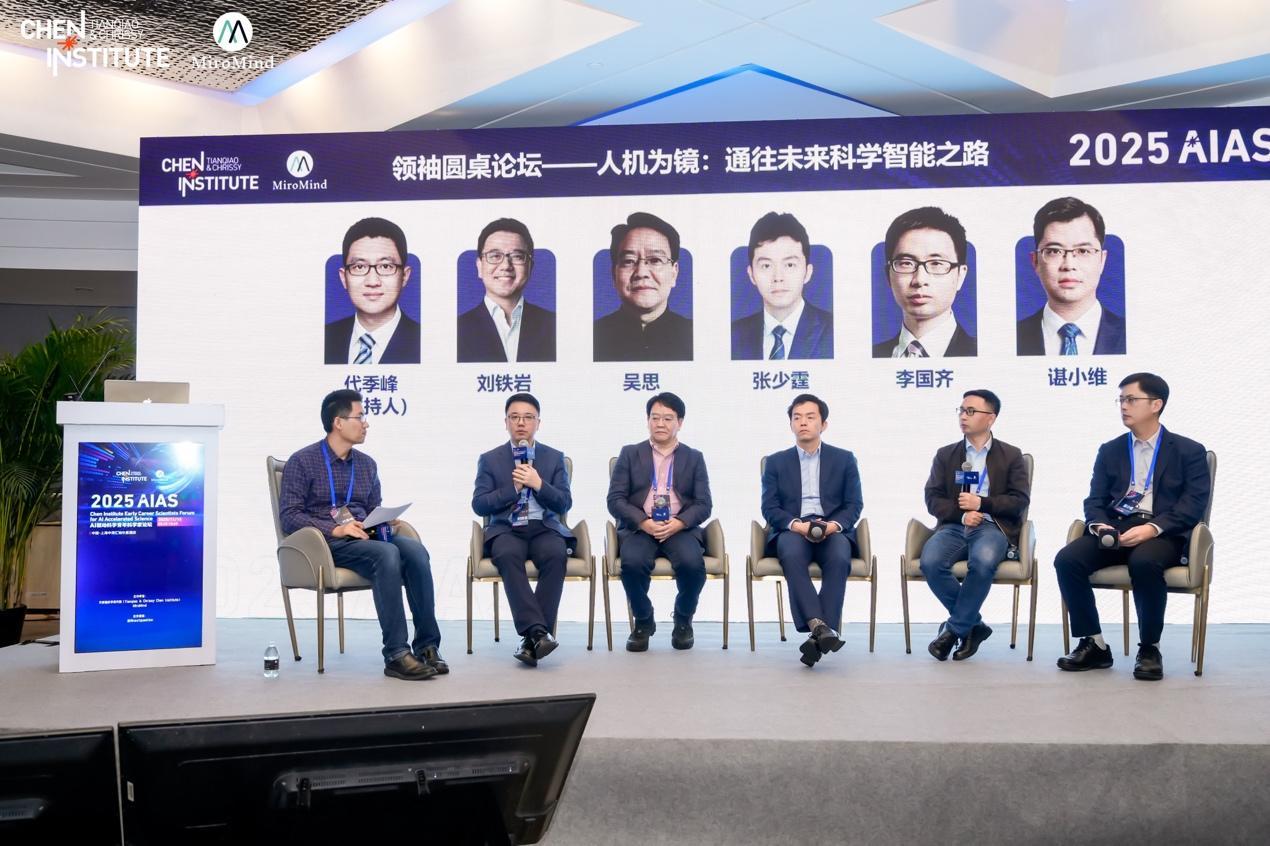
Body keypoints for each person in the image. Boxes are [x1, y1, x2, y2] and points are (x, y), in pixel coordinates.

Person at [278, 389, 444, 680]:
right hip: (326, 544)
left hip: (365, 538)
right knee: (387, 553)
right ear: (338, 422)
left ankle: (427, 646)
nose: (366, 423)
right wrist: (336, 528)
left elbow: (371, 509)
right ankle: (396, 654)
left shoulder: (367, 465)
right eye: (360, 416)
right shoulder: (302, 461)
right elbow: (289, 516)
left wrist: (383, 521)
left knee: (416, 552)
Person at [1055, 373, 1210, 681]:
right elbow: (1095, 500)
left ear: (1156, 404)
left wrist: (1154, 528)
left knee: (1144, 562)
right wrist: (1099, 526)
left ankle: (1149, 648)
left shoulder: (1189, 451)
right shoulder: (1110, 449)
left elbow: (1193, 505)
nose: (1123, 406)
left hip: (1163, 533)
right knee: (1067, 560)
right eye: (1121, 400)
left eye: (1131, 399)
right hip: (1116, 528)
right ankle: (1094, 643)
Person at [920, 390, 1031, 661]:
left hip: (993, 527)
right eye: (961, 410)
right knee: (931, 562)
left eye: (971, 411)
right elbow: (933, 498)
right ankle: (973, 626)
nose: (963, 416)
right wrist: (961, 515)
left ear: (990, 418)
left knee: (982, 562)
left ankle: (953, 631)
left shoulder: (1011, 455)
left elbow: (1019, 501)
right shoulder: (946, 455)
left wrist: (983, 504)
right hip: (955, 526)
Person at [471, 393, 573, 666]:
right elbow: (479, 505)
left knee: (556, 554)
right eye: (514, 417)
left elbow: (564, 503)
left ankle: (531, 638)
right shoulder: (490, 459)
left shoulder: (554, 458)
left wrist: (538, 484)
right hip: (507, 528)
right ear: (505, 422)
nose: (521, 423)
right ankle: (538, 633)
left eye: (528, 417)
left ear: (538, 423)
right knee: (506, 555)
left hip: (543, 527)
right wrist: (513, 488)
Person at [760, 394, 862, 667]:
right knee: (791, 555)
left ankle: (817, 634)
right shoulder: (775, 462)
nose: (803, 422)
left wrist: (833, 526)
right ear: (791, 424)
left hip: (832, 528)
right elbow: (769, 507)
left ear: (823, 424)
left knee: (839, 556)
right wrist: (796, 525)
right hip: (793, 528)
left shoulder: (844, 459)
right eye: (797, 418)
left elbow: (854, 504)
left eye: (810, 417)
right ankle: (822, 627)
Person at [607, 392, 712, 651]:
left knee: (692, 565)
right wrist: (643, 521)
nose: (660, 424)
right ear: (647, 420)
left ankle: (683, 618)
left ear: (680, 422)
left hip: (679, 528)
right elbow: (615, 500)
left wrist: (680, 523)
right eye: (655, 418)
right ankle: (644, 620)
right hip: (640, 528)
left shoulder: (694, 457)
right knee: (631, 564)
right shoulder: (630, 453)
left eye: (667, 418)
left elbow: (704, 504)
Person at [1017, 197, 1125, 356]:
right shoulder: (1013, 336)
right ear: (1035, 262)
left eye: (1083, 251)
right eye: (1054, 251)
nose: (1068, 265)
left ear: (1102, 260)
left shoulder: (1131, 333)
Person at [872, 206, 977, 358]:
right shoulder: (871, 356)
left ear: (960, 275)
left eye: (936, 263)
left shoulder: (983, 353)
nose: (919, 280)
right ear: (889, 275)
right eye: (907, 263)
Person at [731, 212, 833, 360]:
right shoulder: (733, 335)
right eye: (766, 266)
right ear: (751, 274)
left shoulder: (834, 329)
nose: (778, 278)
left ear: (808, 272)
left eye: (790, 265)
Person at [593, 213, 693, 361]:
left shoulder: (696, 336)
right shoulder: (591, 336)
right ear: (614, 274)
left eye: (655, 260)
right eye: (629, 261)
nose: (641, 273)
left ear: (674, 273)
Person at [457, 218, 556, 362]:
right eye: (495, 256)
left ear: (530, 267)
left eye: (517, 256)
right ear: (479, 266)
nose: (505, 266)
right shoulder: (457, 329)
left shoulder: (554, 324)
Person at [324, 217, 421, 365]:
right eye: (359, 267)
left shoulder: (422, 339)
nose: (373, 282)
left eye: (386, 266)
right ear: (344, 278)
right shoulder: (326, 336)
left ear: (405, 276)